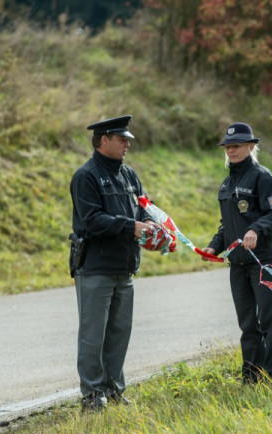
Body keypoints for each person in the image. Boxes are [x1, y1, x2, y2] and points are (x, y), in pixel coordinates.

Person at [69, 114, 158, 412]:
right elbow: (92, 220)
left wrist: (149, 224)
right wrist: (130, 227)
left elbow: (146, 207)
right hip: (95, 268)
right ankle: (92, 397)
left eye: (127, 140)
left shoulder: (130, 175)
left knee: (119, 334)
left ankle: (114, 391)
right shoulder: (86, 176)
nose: (127, 145)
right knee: (93, 337)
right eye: (121, 139)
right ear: (103, 140)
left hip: (125, 266)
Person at [202, 122, 272, 384]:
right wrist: (214, 246)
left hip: (265, 261)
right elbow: (227, 225)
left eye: (237, 146)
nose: (232, 151)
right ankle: (252, 374)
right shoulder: (226, 183)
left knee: (271, 319)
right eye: (228, 147)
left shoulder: (263, 176)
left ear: (251, 146)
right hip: (238, 264)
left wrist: (256, 229)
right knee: (248, 323)